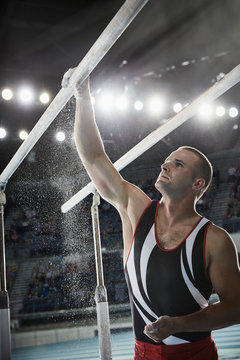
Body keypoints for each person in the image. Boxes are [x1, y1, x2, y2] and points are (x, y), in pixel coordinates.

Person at [62, 70, 240, 360]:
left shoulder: (214, 240)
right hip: (142, 355)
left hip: (195, 355)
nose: (165, 166)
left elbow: (236, 307)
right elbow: (94, 157)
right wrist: (83, 96)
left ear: (198, 185)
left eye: (178, 164)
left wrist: (178, 324)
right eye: (167, 161)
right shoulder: (135, 209)